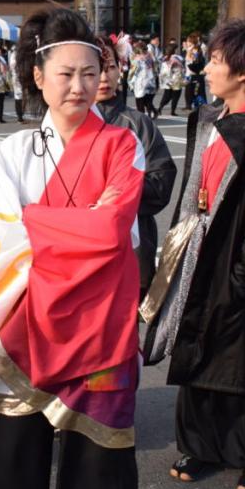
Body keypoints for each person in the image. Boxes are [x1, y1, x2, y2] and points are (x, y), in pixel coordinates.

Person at [0, 7, 145, 489]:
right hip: (27, 317)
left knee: (97, 447)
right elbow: (2, 239)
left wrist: (42, 225)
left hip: (100, 319)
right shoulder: (11, 151)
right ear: (38, 77)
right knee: (15, 442)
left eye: (90, 72)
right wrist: (72, 229)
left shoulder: (122, 142)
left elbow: (115, 230)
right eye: (65, 73)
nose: (79, 86)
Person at [142, 19, 245, 489]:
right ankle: (201, 445)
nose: (207, 66)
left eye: (216, 59)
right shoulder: (211, 118)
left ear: (243, 72)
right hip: (198, 251)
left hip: (241, 264)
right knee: (198, 348)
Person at [94, 36, 177, 300]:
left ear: (121, 68)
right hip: (79, 253)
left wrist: (117, 195)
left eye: (110, 67)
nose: (104, 77)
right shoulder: (65, 125)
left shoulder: (138, 123)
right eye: (95, 68)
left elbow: (161, 180)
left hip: (133, 250)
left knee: (126, 333)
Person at [128, 41, 158, 118]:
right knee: (148, 101)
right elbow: (155, 69)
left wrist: (129, 81)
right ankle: (151, 114)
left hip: (140, 82)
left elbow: (132, 72)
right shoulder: (150, 57)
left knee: (140, 101)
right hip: (150, 81)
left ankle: (142, 117)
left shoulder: (137, 59)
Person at [156, 53, 185, 117]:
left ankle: (160, 108)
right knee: (176, 96)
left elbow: (163, 70)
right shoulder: (177, 58)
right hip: (176, 79)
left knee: (166, 96)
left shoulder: (164, 58)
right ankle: (172, 111)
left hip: (168, 80)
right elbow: (182, 66)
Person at [7, 45, 25, 123]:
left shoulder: (15, 56)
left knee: (20, 97)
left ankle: (20, 115)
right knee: (18, 97)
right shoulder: (14, 56)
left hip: (19, 77)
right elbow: (13, 67)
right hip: (17, 77)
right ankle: (19, 116)